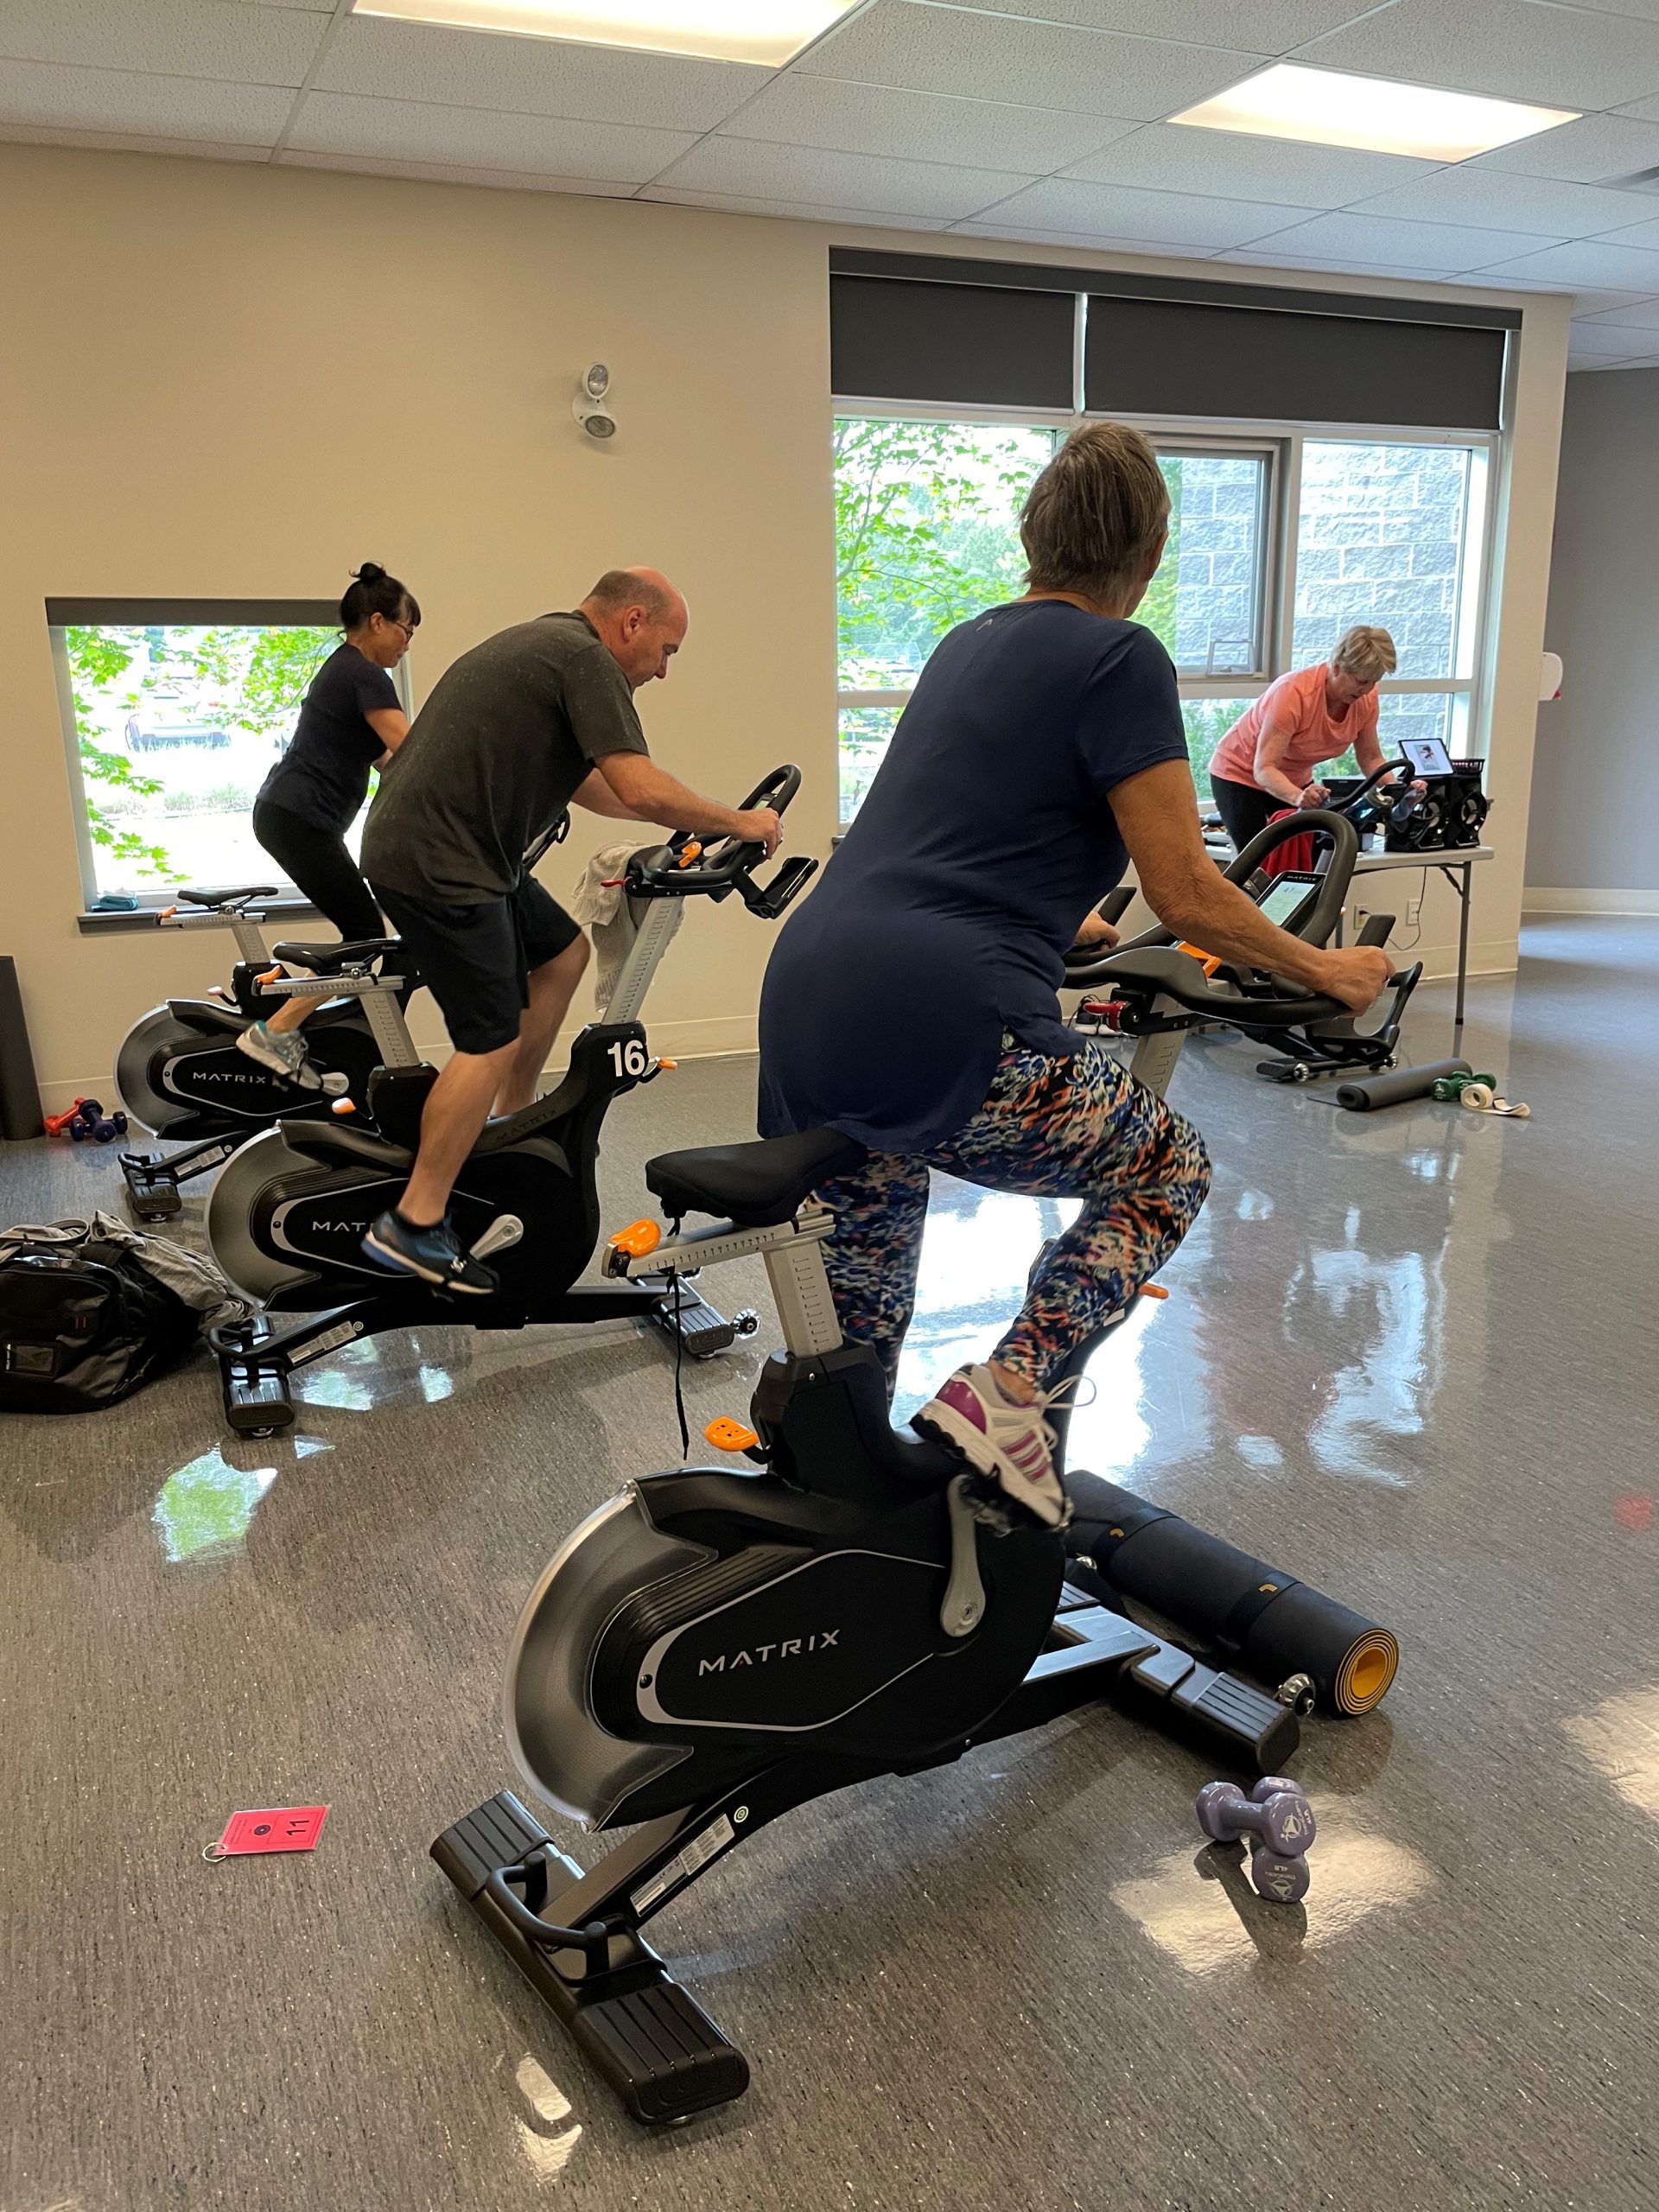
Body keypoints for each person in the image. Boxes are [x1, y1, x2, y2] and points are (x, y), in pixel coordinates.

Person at [756, 423, 1392, 1532]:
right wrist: (1324, 968)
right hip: (940, 1011)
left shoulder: (966, 639)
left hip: (812, 990)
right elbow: (1188, 891)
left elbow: (958, 828)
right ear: (1145, 557)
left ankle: (839, 1521)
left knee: (864, 1297)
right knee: (1167, 1170)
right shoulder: (1123, 656)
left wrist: (1064, 917)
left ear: (1031, 536)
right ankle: (1006, 1401)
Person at [357, 568, 783, 1294]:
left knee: (561, 954)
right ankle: (414, 1224)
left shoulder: (545, 642)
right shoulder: (586, 657)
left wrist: (685, 823)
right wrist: (743, 822)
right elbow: (640, 784)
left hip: (449, 851)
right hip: (445, 862)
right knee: (487, 1040)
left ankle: (508, 1127)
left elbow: (600, 786)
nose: (664, 669)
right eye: (667, 650)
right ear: (632, 622)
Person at [238, 563, 416, 1085]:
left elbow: (392, 765)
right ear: (379, 622)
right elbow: (413, 751)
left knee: (364, 933)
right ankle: (276, 1032)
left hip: (288, 816)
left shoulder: (342, 670)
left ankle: (309, 1031)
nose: (407, 643)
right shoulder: (364, 673)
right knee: (365, 934)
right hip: (297, 818)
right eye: (407, 629)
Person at [1205, 625, 1401, 853]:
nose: (1366, 689)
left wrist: (1400, 791)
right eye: (1360, 681)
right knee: (1259, 857)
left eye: (1373, 681)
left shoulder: (1366, 698)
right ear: (1337, 668)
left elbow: (1371, 758)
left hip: (1292, 777)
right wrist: (1299, 797)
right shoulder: (1293, 693)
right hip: (1240, 774)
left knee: (1318, 848)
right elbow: (1265, 768)